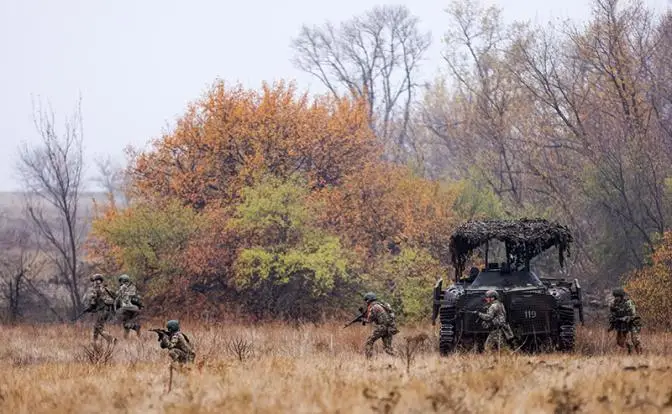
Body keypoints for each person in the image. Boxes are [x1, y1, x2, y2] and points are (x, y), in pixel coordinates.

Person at [363, 292, 399, 358]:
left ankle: (368, 360)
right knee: (388, 348)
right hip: (389, 328)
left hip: (382, 327)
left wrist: (362, 319)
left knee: (369, 341)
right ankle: (399, 357)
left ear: (369, 300)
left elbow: (369, 320)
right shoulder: (381, 305)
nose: (366, 302)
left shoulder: (374, 307)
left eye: (366, 300)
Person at [84, 274, 117, 345]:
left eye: (93, 281)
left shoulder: (96, 288)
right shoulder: (106, 288)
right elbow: (115, 296)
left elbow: (93, 301)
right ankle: (94, 343)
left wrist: (90, 308)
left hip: (102, 311)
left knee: (99, 328)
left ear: (96, 280)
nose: (93, 282)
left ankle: (112, 339)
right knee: (96, 327)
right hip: (108, 311)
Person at [609, 288, 642, 354]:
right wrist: (612, 325)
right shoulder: (613, 304)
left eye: (617, 296)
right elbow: (612, 315)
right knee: (620, 341)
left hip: (633, 323)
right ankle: (629, 352)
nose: (616, 298)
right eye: (615, 296)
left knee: (635, 339)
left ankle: (640, 354)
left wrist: (627, 318)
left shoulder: (628, 302)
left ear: (621, 296)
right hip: (622, 323)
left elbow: (634, 314)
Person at [115, 274, 141, 338]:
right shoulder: (132, 286)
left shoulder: (125, 287)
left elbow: (118, 295)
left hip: (127, 307)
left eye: (121, 281)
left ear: (122, 280)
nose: (120, 283)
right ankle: (126, 339)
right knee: (126, 323)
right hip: (131, 308)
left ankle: (135, 327)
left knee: (125, 322)